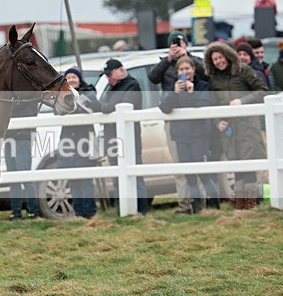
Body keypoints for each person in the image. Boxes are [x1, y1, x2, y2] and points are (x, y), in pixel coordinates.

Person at [204, 42, 268, 210]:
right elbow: (212, 104)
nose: (219, 62)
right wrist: (217, 121)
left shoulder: (243, 70)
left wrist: (242, 101)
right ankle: (240, 205)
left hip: (247, 125)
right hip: (229, 129)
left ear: (227, 55)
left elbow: (262, 90)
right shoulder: (214, 79)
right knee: (235, 163)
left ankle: (250, 203)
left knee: (249, 162)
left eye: (220, 57)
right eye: (215, 59)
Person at [148, 31, 206, 214]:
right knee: (179, 165)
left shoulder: (195, 62)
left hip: (196, 122)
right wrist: (169, 59)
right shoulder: (165, 64)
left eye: (181, 44)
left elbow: (206, 74)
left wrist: (187, 57)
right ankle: (184, 204)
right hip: (174, 120)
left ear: (186, 45)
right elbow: (152, 77)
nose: (177, 47)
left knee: (198, 164)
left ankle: (201, 203)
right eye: (174, 44)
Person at [158, 56, 219, 213]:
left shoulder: (202, 86)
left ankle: (214, 206)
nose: (185, 72)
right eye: (181, 69)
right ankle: (196, 208)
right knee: (189, 175)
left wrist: (192, 93)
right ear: (177, 72)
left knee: (204, 174)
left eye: (187, 68)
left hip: (199, 135)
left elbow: (204, 105)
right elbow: (164, 107)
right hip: (181, 136)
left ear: (193, 69)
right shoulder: (174, 87)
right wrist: (175, 93)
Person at [100, 58, 148, 215]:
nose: (108, 78)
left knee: (135, 177)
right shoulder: (112, 88)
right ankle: (122, 209)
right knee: (117, 178)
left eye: (110, 74)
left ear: (121, 70)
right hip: (112, 139)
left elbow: (118, 107)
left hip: (129, 139)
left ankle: (141, 210)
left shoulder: (132, 85)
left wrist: (101, 107)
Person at [56, 68, 98, 219]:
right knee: (73, 179)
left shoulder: (89, 92)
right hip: (68, 140)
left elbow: (93, 106)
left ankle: (90, 211)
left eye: (74, 77)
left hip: (85, 140)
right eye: (68, 77)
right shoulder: (62, 94)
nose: (72, 80)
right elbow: (57, 110)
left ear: (79, 79)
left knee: (86, 178)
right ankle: (78, 212)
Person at [4, 98, 41, 220]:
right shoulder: (14, 96)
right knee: (13, 177)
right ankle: (16, 212)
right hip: (9, 138)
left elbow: (25, 111)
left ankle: (33, 212)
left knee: (26, 176)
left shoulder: (29, 96)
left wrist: (10, 104)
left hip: (23, 138)